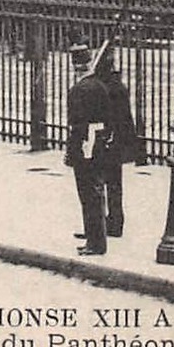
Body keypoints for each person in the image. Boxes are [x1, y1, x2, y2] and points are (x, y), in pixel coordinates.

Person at [64, 42, 112, 255]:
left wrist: (71, 152)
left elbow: (77, 126)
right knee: (97, 191)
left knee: (88, 193)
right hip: (100, 143)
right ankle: (96, 237)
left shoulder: (78, 90)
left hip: (85, 145)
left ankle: (95, 242)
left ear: (75, 67)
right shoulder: (101, 86)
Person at [96, 49, 138, 240]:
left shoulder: (109, 87)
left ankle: (111, 221)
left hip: (110, 140)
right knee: (111, 182)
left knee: (106, 182)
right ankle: (111, 220)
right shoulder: (113, 85)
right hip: (115, 140)